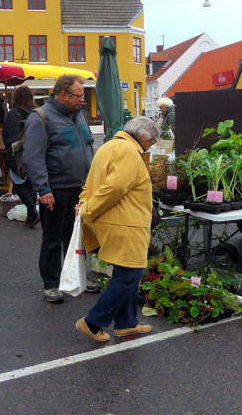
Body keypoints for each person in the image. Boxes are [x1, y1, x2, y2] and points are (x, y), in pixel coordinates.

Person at [75, 117, 160, 342]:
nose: (151, 146)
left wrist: (85, 203)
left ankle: (126, 323)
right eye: (153, 141)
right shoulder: (130, 152)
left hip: (115, 223)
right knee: (130, 276)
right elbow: (115, 188)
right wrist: (88, 209)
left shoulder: (108, 147)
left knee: (126, 273)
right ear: (144, 136)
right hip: (126, 224)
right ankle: (93, 322)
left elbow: (92, 183)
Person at [23, 74, 98, 303]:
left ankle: (76, 279)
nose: (82, 100)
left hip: (80, 188)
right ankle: (52, 284)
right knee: (54, 239)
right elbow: (33, 157)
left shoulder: (78, 115)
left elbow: (87, 147)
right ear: (63, 94)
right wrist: (43, 189)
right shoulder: (41, 118)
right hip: (55, 190)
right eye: (78, 95)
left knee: (77, 237)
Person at [1, 84, 39, 228]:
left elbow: (8, 137)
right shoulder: (36, 112)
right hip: (34, 151)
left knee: (18, 182)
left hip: (18, 153)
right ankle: (31, 215)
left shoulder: (13, 114)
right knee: (30, 182)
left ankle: (32, 211)